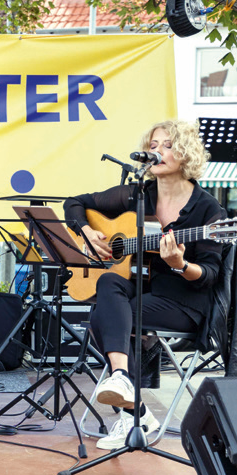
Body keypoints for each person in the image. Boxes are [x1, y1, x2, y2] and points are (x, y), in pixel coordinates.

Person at [63, 119, 226, 450]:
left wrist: (180, 265)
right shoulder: (140, 195)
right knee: (109, 281)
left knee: (102, 317)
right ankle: (127, 390)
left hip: (186, 304)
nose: (158, 152)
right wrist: (87, 231)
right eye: (153, 146)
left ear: (186, 153)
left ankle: (132, 412)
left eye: (167, 145)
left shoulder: (209, 210)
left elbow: (209, 274)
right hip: (146, 292)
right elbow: (74, 203)